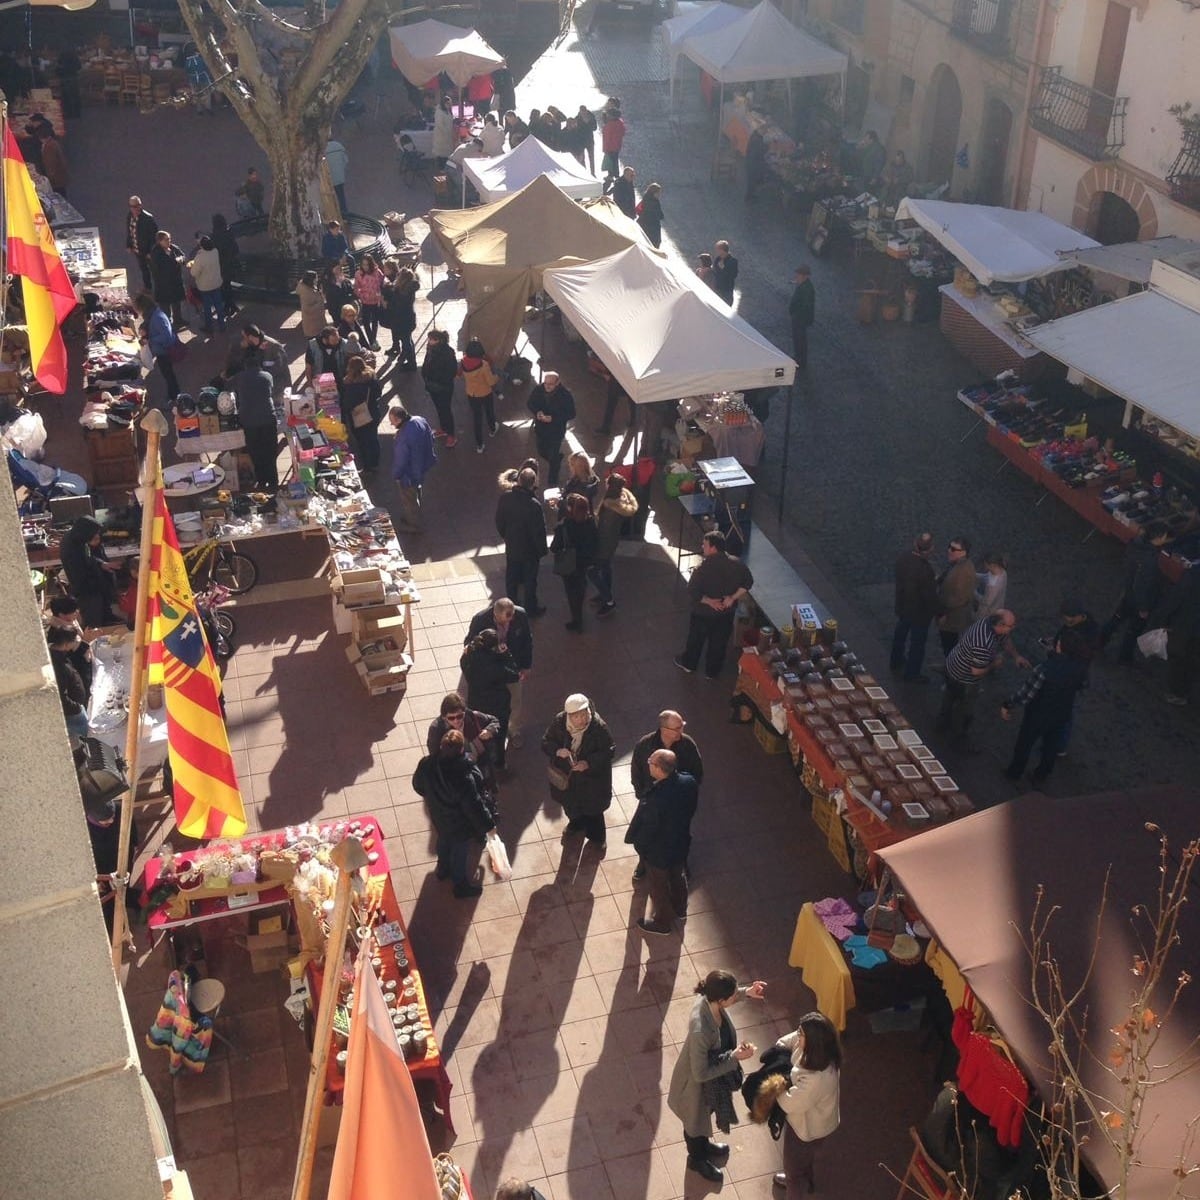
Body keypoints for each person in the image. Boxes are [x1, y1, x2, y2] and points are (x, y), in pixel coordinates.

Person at [668, 972, 767, 1183]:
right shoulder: (700, 1030)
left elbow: (728, 996)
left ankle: (703, 1146)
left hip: (710, 1083)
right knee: (694, 1125)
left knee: (702, 1119)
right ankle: (697, 1159)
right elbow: (700, 1073)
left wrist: (746, 993)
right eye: (732, 996)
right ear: (721, 1000)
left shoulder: (709, 999)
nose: (734, 998)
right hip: (696, 1087)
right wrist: (733, 1057)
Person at [412, 729, 495, 899]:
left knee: (443, 841)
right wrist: (489, 825)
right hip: (459, 824)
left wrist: (433, 798)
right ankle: (460, 886)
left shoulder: (427, 764)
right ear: (461, 750)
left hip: (439, 817)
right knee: (459, 852)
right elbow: (474, 806)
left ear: (441, 747)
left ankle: (442, 869)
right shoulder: (463, 776)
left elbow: (418, 786)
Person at [1001, 629, 1090, 785]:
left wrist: (1008, 704)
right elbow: (1083, 685)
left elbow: (1026, 694)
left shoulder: (1044, 669)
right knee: (1050, 747)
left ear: (1059, 645)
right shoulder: (1081, 667)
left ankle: (1014, 772)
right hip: (1062, 713)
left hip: (1038, 714)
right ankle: (1041, 775)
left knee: (1025, 744)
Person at [770, 1013, 843, 1196]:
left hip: (805, 1129)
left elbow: (789, 1103)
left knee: (794, 1171)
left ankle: (796, 1185)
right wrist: (779, 1049)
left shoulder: (816, 1078)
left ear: (812, 1041)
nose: (797, 1035)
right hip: (818, 1123)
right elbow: (790, 1040)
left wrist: (775, 1085)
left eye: (801, 1033)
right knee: (805, 1160)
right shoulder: (821, 1052)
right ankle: (807, 1181)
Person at [628, 749, 698, 935]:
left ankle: (662, 922)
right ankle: (681, 909)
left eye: (651, 760)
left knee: (658, 887)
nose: (648, 762)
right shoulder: (688, 781)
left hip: (659, 850)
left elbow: (648, 829)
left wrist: (640, 846)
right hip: (680, 841)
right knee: (678, 875)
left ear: (659, 769)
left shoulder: (656, 798)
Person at [938, 609, 1029, 753]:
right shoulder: (983, 643)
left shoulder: (989, 623)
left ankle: (942, 723)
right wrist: (995, 664)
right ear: (1000, 624)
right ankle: (958, 739)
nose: (1013, 628)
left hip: (952, 665)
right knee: (965, 708)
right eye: (1011, 626)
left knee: (949, 696)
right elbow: (976, 671)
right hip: (964, 677)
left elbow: (1005, 640)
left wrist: (1016, 656)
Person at [675, 531, 753, 679]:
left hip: (702, 613)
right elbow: (748, 583)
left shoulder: (702, 569)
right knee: (719, 643)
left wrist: (709, 601)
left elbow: (692, 591)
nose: (702, 547)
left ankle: (689, 664)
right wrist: (732, 598)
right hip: (726, 613)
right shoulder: (737, 564)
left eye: (705, 545)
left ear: (713, 548)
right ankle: (712, 671)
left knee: (695, 641)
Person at [541, 692, 614, 848]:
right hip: (568, 778)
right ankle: (576, 825)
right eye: (576, 717)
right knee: (571, 806)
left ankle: (598, 839)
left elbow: (609, 751)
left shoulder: (598, 727)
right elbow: (546, 741)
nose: (582, 720)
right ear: (569, 715)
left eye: (584, 715)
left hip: (591, 780)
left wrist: (588, 763)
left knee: (594, 812)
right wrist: (557, 751)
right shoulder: (560, 722)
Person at [464, 598, 534, 748]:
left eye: (511, 617)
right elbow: (469, 644)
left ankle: (513, 730)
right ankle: (486, 731)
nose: (508, 623)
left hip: (511, 668)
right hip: (490, 672)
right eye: (503, 621)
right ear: (495, 614)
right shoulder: (480, 620)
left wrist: (526, 665)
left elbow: (527, 641)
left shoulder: (520, 615)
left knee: (515, 700)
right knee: (489, 704)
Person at [1100, 521, 1170, 664]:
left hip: (1128, 593)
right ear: (1158, 538)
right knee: (1133, 629)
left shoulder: (1137, 546)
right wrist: (1143, 608)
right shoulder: (1149, 560)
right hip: (1138, 600)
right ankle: (1124, 657)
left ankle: (1099, 642)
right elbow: (1142, 585)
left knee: (1116, 619)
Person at [461, 629, 520, 769]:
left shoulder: (470, 660)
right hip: (497, 705)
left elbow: (463, 662)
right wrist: (506, 654)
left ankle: (480, 760)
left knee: (477, 734)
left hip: (476, 703)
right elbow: (514, 675)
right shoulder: (497, 666)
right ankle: (500, 762)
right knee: (499, 733)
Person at [427, 693, 501, 802]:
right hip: (457, 770)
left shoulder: (473, 716)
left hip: (480, 762)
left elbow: (494, 721)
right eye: (451, 718)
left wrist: (489, 730)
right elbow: (434, 754)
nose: (456, 721)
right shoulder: (437, 729)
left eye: (459, 716)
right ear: (444, 717)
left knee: (483, 786)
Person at [496, 464, 548, 617]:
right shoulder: (534, 505)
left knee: (511, 577)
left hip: (512, 545)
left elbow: (499, 521)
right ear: (533, 483)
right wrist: (541, 550)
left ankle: (511, 606)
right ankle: (531, 608)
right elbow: (539, 531)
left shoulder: (505, 498)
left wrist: (506, 536)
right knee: (530, 580)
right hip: (530, 551)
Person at [1147, 562, 1200, 706]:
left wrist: (1163, 618)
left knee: (1181, 659)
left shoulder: (1194, 573)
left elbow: (1177, 598)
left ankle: (1177, 691)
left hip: (1187, 625)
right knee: (1192, 662)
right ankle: (1182, 691)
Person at [890, 531, 938, 683]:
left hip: (903, 606)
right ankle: (912, 673)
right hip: (919, 613)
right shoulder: (925, 570)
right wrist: (939, 612)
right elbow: (929, 596)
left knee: (900, 635)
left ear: (915, 544)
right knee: (917, 644)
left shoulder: (903, 558)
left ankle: (895, 660)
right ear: (930, 549)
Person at [589, 472, 638, 617]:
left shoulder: (610, 508)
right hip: (612, 544)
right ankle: (605, 593)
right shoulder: (620, 501)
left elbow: (603, 531)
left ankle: (608, 600)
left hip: (604, 545)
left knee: (591, 572)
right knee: (606, 569)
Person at [550, 493, 598, 632]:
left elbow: (554, 547)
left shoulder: (564, 526)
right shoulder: (591, 523)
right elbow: (595, 542)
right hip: (584, 563)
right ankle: (579, 612)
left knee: (571, 592)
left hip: (569, 564)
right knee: (581, 587)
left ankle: (577, 619)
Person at [60, 516, 118, 629]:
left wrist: (101, 564)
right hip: (85, 586)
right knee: (93, 617)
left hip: (93, 582)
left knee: (101, 604)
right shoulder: (71, 546)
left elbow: (89, 557)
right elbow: (81, 564)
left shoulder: (78, 540)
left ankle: (107, 618)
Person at [230, 363, 279, 489]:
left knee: (255, 453)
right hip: (267, 418)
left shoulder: (239, 377)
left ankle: (261, 481)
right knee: (270, 453)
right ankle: (273, 482)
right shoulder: (267, 376)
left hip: (249, 421)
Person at [388, 404, 436, 532]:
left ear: (399, 419)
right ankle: (412, 514)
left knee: (408, 497)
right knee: (417, 488)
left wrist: (396, 475)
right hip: (422, 465)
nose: (392, 425)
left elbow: (401, 460)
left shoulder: (403, 437)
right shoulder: (420, 420)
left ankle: (414, 524)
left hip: (408, 472)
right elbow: (431, 437)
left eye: (392, 422)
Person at [527, 370, 576, 486]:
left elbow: (571, 413)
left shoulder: (565, 395)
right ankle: (556, 459)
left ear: (557, 383)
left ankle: (552, 480)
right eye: (545, 384)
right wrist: (537, 411)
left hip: (556, 431)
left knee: (553, 456)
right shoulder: (539, 389)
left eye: (550, 384)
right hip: (541, 429)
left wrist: (553, 418)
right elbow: (530, 403)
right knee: (541, 451)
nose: (547, 386)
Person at [134, 292, 181, 403]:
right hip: (161, 350)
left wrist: (150, 340)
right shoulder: (152, 314)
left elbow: (167, 337)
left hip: (164, 351)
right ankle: (173, 395)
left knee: (169, 375)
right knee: (167, 374)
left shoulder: (158, 317)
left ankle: (174, 396)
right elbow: (149, 324)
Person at [341, 355, 384, 475]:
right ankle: (375, 463)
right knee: (373, 439)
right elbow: (378, 393)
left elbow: (348, 404)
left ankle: (367, 466)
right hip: (373, 412)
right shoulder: (372, 378)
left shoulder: (353, 385)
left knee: (363, 442)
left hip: (360, 417)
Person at [936, 535, 977, 656]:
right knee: (948, 645)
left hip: (951, 618)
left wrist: (942, 613)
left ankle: (951, 671)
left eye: (953, 549)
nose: (949, 550)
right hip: (951, 616)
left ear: (963, 552)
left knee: (949, 646)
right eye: (949, 547)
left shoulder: (963, 571)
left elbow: (958, 598)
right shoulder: (957, 564)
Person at [48, 625, 90, 742]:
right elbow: (61, 696)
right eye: (74, 641)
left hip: (75, 710)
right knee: (82, 743)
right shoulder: (59, 666)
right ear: (66, 644)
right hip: (74, 716)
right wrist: (77, 709)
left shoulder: (56, 653)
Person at [458, 339, 501, 453]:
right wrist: (497, 376)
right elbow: (491, 381)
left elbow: (459, 374)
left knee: (477, 418)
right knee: (489, 411)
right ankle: (492, 429)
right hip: (484, 392)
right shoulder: (484, 365)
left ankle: (479, 445)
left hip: (471, 393)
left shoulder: (463, 361)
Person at [47, 595, 94, 692]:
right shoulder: (58, 631)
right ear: (61, 614)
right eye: (73, 611)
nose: (77, 612)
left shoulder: (70, 621)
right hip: (79, 673)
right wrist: (85, 641)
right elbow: (70, 657)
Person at [422, 328, 460, 445]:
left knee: (445, 410)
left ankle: (451, 435)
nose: (429, 341)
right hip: (432, 386)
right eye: (429, 339)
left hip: (444, 387)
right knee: (439, 409)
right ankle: (443, 429)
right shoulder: (431, 350)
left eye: (432, 339)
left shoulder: (448, 353)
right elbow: (426, 365)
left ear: (439, 340)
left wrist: (436, 379)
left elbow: (451, 371)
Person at [381, 261, 419, 367]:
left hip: (403, 321)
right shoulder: (407, 289)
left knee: (407, 343)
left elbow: (396, 306)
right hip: (408, 319)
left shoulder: (402, 292)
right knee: (408, 341)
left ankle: (411, 363)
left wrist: (386, 304)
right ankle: (408, 358)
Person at [187, 235, 225, 334]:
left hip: (205, 287)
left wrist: (192, 265)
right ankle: (222, 324)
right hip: (216, 283)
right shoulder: (215, 251)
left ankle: (209, 326)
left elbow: (194, 273)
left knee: (207, 308)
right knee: (219, 305)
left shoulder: (200, 257)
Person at [149, 231, 186, 328]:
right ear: (160, 241)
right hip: (163, 284)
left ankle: (178, 320)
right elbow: (164, 267)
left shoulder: (173, 248)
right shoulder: (156, 252)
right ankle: (167, 325)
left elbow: (182, 255)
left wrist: (181, 259)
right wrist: (175, 261)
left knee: (176, 303)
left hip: (175, 282)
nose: (169, 241)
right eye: (166, 239)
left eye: (169, 239)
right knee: (165, 307)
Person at [210, 214, 241, 318]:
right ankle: (231, 304)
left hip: (220, 266)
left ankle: (228, 305)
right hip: (230, 264)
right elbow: (235, 249)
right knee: (227, 285)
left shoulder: (214, 237)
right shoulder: (229, 234)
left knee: (224, 286)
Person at [305, 325, 349, 397]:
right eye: (334, 341)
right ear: (325, 339)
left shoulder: (343, 343)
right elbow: (308, 367)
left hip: (339, 380)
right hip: (320, 381)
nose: (337, 342)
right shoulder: (312, 346)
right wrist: (310, 386)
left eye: (338, 339)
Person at [126, 195, 159, 292]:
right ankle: (148, 288)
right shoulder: (130, 216)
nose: (134, 209)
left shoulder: (148, 218)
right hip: (138, 249)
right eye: (132, 206)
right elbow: (130, 231)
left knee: (155, 270)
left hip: (147, 251)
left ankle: (159, 289)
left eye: (136, 206)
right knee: (144, 269)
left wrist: (151, 252)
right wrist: (129, 244)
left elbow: (154, 237)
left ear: (140, 205)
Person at [353, 253, 384, 350]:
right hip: (365, 301)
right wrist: (361, 295)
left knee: (375, 321)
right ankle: (371, 340)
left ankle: (373, 339)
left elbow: (383, 282)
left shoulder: (377, 272)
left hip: (375, 301)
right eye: (363, 264)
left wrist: (380, 295)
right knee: (366, 322)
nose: (365, 267)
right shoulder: (358, 274)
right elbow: (356, 287)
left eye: (367, 264)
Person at [788, 265, 815, 369]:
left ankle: (800, 359)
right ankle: (799, 357)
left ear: (805, 276)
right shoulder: (804, 285)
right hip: (799, 317)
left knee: (800, 339)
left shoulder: (806, 288)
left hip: (800, 318)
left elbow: (805, 304)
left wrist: (796, 313)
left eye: (798, 275)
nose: (796, 276)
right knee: (798, 338)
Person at [975, 551, 1009, 620]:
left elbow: (985, 602)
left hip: (988, 613)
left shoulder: (993, 587)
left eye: (985, 564)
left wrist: (973, 592)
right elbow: (986, 577)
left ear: (992, 565)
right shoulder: (1002, 571)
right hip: (998, 604)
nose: (984, 565)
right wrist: (973, 574)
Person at [36, 125, 68, 196]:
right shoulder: (53, 143)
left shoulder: (49, 147)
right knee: (61, 192)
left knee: (58, 194)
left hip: (55, 180)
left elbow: (50, 164)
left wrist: (49, 179)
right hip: (59, 177)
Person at [295, 270, 327, 340]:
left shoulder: (310, 287)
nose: (317, 280)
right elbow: (307, 309)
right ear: (311, 279)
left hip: (316, 320)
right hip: (313, 323)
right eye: (316, 278)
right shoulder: (306, 292)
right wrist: (320, 301)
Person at [637, 181, 665, 248]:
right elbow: (657, 214)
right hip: (651, 229)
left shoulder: (646, 199)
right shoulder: (653, 202)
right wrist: (661, 216)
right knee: (653, 245)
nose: (659, 194)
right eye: (658, 192)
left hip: (645, 226)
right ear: (654, 192)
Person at [600, 107, 627, 179]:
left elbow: (607, 137)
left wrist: (605, 148)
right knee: (614, 160)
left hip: (610, 146)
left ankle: (612, 175)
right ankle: (615, 175)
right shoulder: (620, 123)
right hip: (617, 145)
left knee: (611, 161)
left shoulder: (610, 124)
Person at [711, 240, 739, 306]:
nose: (716, 251)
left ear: (722, 250)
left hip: (726, 291)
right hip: (716, 289)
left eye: (717, 249)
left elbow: (733, 275)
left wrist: (723, 268)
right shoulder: (718, 259)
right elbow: (714, 272)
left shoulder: (733, 261)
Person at [325, 138, 350, 213]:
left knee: (330, 198)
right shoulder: (339, 146)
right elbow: (346, 161)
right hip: (339, 177)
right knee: (341, 196)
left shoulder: (322, 149)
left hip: (328, 179)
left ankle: (334, 214)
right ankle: (344, 213)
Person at [745, 125, 767, 201]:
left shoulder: (755, 136)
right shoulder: (757, 139)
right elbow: (759, 151)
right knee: (751, 181)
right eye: (764, 132)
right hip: (753, 163)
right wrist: (766, 148)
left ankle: (751, 195)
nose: (765, 133)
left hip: (751, 162)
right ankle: (749, 197)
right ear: (760, 130)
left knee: (752, 181)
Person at [432, 94, 456, 167]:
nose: (449, 105)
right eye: (447, 104)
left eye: (450, 104)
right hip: (441, 136)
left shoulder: (448, 111)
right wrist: (446, 133)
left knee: (447, 153)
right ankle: (441, 168)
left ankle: (445, 168)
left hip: (448, 136)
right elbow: (440, 125)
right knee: (441, 154)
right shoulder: (439, 112)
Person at [576, 103, 597, 173]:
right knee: (582, 158)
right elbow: (576, 129)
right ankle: (583, 172)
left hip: (590, 140)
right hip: (581, 141)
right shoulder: (577, 118)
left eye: (584, 110)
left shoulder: (591, 117)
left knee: (591, 158)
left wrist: (588, 123)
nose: (583, 112)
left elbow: (594, 128)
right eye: (582, 111)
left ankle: (593, 172)